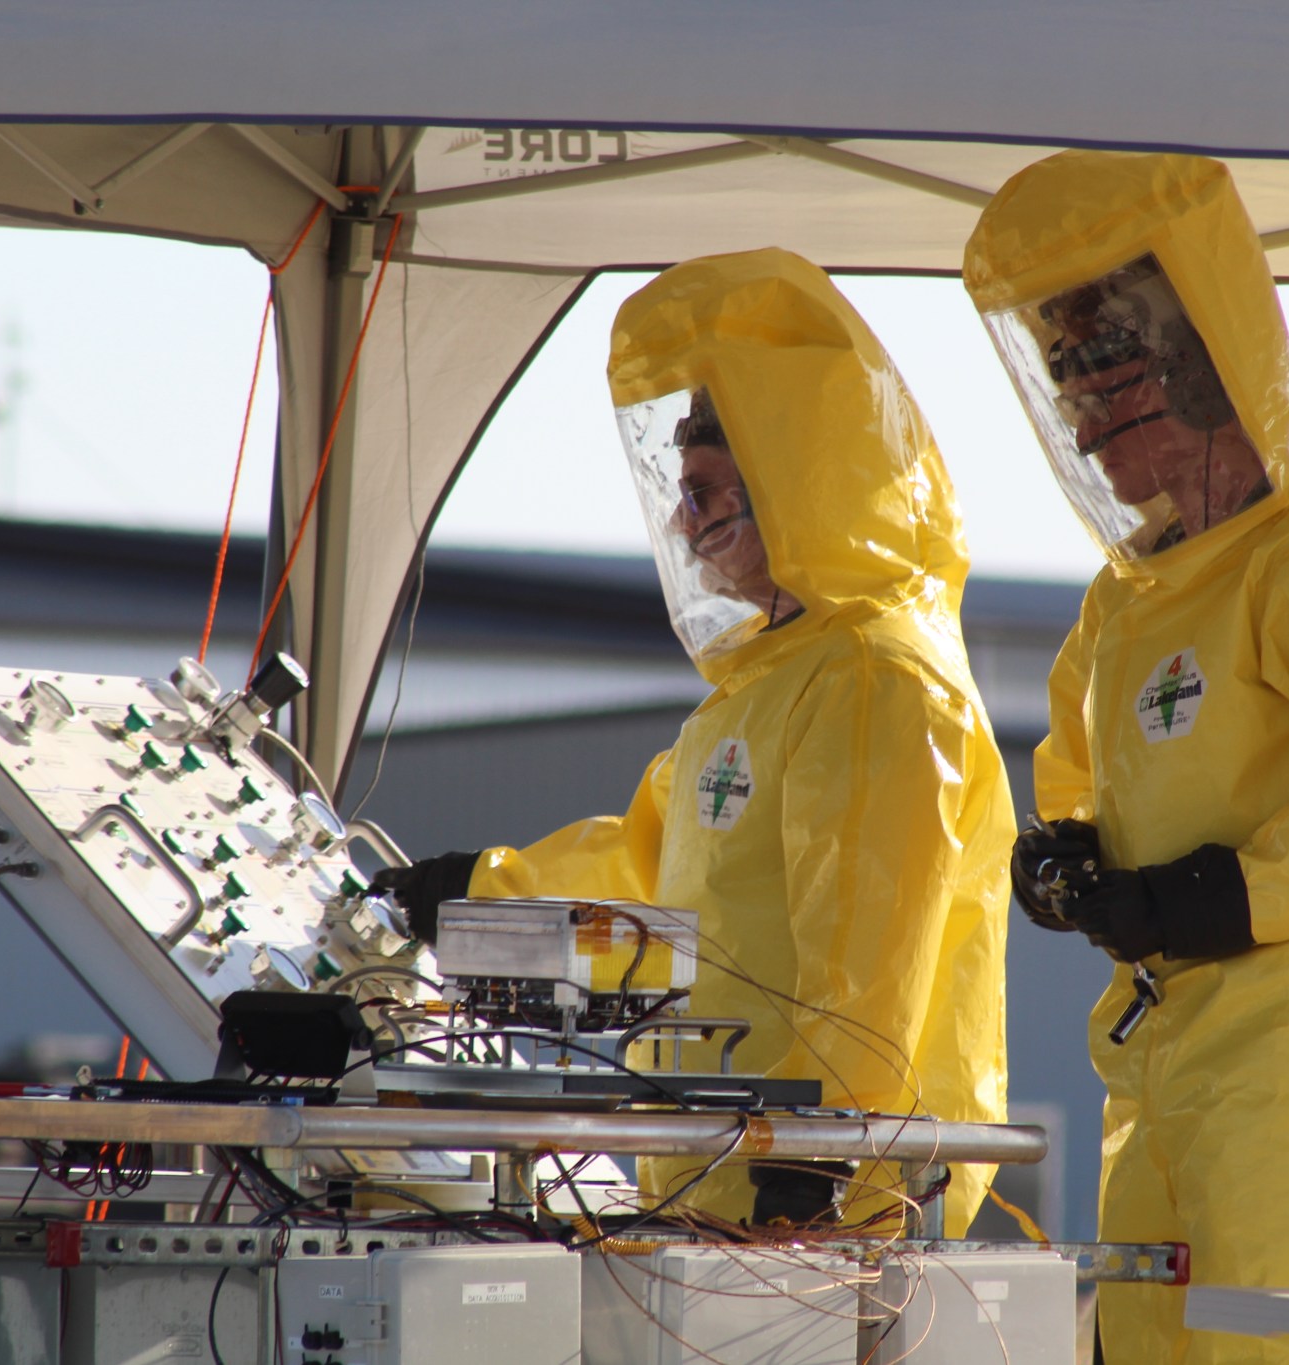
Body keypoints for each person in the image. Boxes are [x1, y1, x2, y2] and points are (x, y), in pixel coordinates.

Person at [963, 151, 1289, 1364]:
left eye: (1104, 366)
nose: (1081, 409)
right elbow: (1081, 774)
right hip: (1164, 1075)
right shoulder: (1126, 601)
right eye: (1062, 374)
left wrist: (1193, 896)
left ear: (1202, 366)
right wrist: (1066, 858)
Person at [378, 247, 1014, 1236]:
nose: (683, 519)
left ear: (798, 485)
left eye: (710, 490)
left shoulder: (874, 679)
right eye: (682, 488)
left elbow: (866, 959)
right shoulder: (772, 680)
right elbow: (654, 874)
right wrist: (479, 893)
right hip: (731, 1183)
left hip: (827, 1216)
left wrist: (816, 1163)